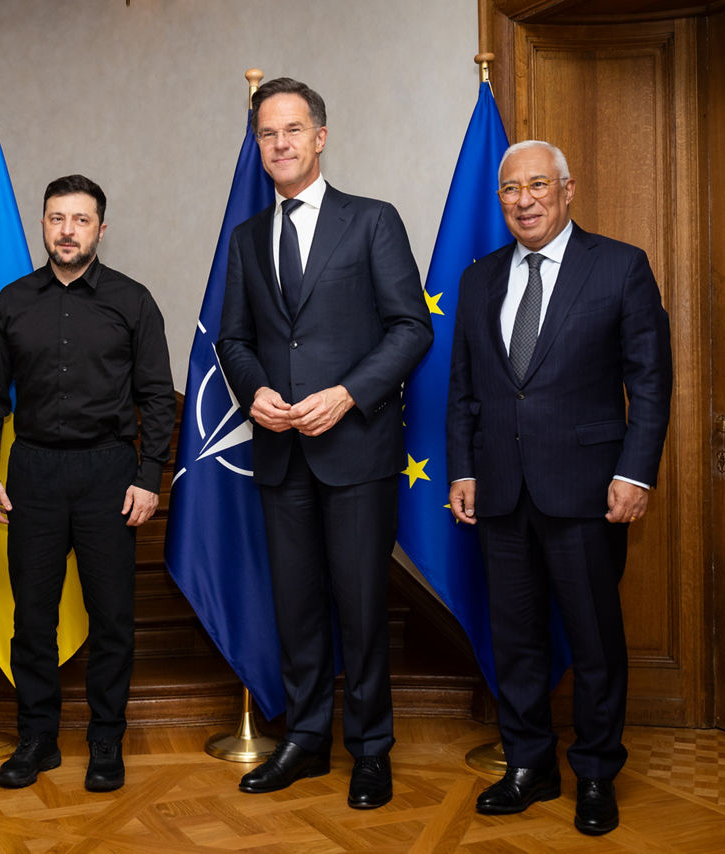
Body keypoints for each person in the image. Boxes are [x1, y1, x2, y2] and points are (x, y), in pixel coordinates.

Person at [217, 77, 433, 809]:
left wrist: (347, 394)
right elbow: (234, 337)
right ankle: (306, 740)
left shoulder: (372, 221)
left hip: (357, 451)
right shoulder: (248, 239)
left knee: (362, 607)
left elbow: (412, 327)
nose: (279, 144)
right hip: (280, 452)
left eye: (292, 130)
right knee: (297, 607)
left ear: (321, 136)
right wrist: (255, 393)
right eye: (267, 134)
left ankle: (371, 750)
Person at [446, 140, 672, 836]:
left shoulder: (620, 266)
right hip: (502, 494)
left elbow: (651, 382)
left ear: (567, 189)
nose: (525, 199)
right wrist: (462, 468)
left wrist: (634, 472)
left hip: (588, 491)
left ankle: (597, 772)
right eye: (511, 189)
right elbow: (463, 390)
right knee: (515, 639)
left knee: (595, 639)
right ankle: (529, 766)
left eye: (538, 184)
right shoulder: (479, 277)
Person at [0, 174, 176, 793]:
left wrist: (148, 477)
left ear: (101, 230)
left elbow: (157, 398)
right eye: (57, 218)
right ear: (42, 225)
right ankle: (36, 738)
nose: (67, 230)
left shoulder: (133, 301)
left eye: (81, 220)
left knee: (112, 616)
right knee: (32, 617)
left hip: (108, 474)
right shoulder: (12, 301)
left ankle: (106, 740)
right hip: (31, 471)